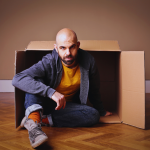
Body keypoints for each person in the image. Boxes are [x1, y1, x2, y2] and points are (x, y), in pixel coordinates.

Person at [12, 28, 112, 148]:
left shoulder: (89, 61)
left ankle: (38, 120)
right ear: (56, 48)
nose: (68, 53)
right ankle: (34, 126)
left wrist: (101, 110)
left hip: (65, 108)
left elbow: (94, 89)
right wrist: (51, 92)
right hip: (42, 102)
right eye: (63, 48)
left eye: (72, 47)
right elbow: (17, 79)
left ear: (78, 45)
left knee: (93, 115)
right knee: (35, 80)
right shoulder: (48, 61)